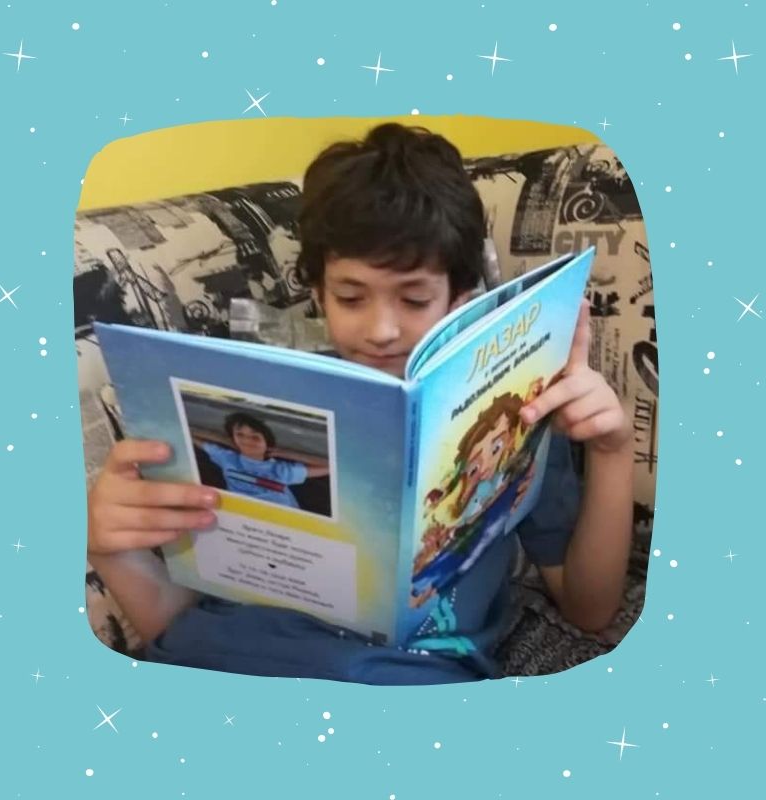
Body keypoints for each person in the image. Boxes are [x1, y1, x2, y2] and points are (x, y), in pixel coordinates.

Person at [87, 123, 633, 684]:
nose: (381, 329)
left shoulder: (516, 409)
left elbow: (590, 608)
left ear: (459, 301)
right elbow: (175, 629)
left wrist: (613, 450)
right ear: (319, 295)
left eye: (414, 299)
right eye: (350, 297)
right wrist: (109, 550)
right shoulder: (268, 394)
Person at [191, 412, 328, 510]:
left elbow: (330, 467)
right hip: (242, 514)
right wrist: (228, 441)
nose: (247, 441)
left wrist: (288, 453)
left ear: (266, 442)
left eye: (255, 437)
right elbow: (191, 433)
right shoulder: (227, 458)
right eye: (240, 435)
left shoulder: (279, 470)